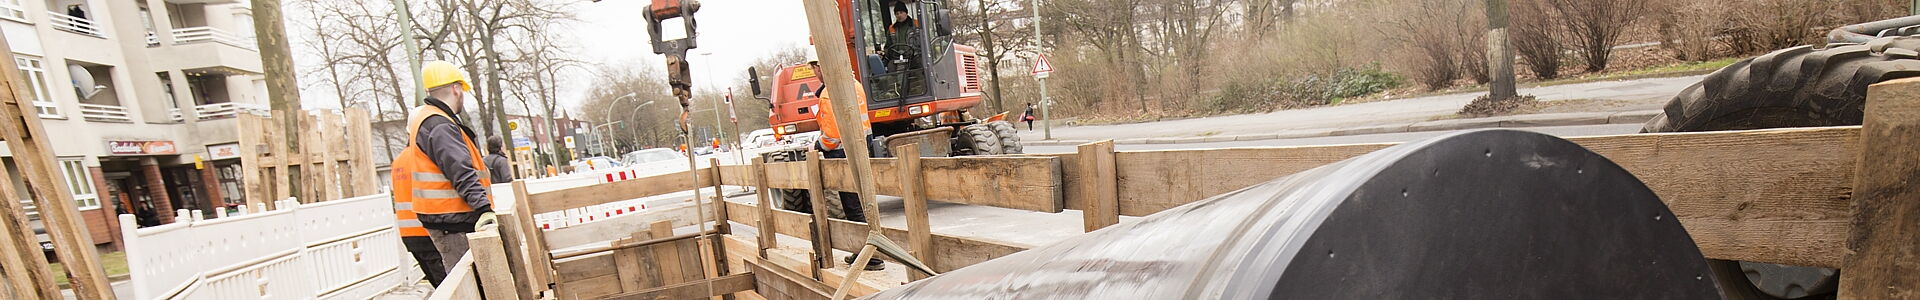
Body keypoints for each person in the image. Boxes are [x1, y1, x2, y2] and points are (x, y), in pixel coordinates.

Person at [389, 61, 497, 274]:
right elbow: (461, 170)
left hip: (448, 219)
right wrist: (483, 208)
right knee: (471, 285)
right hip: (453, 220)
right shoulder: (439, 124)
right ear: (456, 88)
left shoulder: (431, 120)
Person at [809, 62, 886, 271]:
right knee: (864, 203)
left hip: (842, 154)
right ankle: (865, 250)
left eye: (813, 68)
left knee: (853, 207)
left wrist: (817, 145)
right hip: (861, 149)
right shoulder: (855, 85)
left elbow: (832, 136)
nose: (815, 73)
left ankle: (871, 256)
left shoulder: (828, 94)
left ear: (819, 66)